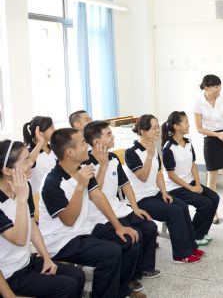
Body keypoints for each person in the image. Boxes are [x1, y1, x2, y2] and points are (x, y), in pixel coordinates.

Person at [39, 128, 141, 298]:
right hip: (62, 239)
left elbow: (97, 195)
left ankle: (122, 291)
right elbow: (69, 221)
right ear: (69, 152)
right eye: (82, 143)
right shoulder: (52, 183)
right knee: (110, 253)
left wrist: (118, 226)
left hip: (84, 229)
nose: (87, 146)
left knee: (130, 239)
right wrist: (80, 186)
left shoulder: (82, 168)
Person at [0, 139, 85, 298]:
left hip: (27, 262)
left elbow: (31, 225)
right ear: (7, 171)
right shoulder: (16, 195)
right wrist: (21, 200)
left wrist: (46, 258)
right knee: (68, 287)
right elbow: (18, 239)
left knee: (78, 276)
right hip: (10, 274)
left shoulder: (25, 186)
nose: (32, 163)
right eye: (26, 161)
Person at [83, 121, 161, 291]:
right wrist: (102, 168)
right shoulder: (85, 163)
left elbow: (125, 184)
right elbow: (94, 194)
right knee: (134, 236)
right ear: (97, 142)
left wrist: (136, 207)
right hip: (99, 215)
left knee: (149, 227)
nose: (113, 137)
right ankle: (128, 279)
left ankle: (142, 269)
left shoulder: (112, 157)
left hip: (119, 208)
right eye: (109, 134)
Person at [123, 114, 202, 264]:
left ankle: (191, 247)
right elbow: (143, 177)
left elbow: (159, 173)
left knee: (183, 206)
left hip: (154, 193)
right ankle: (180, 255)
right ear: (142, 132)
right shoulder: (131, 152)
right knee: (175, 212)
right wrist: (149, 156)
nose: (158, 131)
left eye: (158, 127)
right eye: (154, 128)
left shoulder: (153, 148)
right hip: (139, 199)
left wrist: (164, 192)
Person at [161, 111, 219, 246]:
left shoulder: (188, 142)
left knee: (214, 198)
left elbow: (193, 165)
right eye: (185, 122)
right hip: (175, 188)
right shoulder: (168, 148)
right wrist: (191, 188)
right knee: (205, 204)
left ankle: (202, 231)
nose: (189, 125)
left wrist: (198, 184)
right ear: (176, 126)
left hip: (190, 182)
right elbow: (171, 175)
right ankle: (195, 235)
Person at [194, 74, 223, 223]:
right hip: (211, 140)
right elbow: (199, 129)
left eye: (219, 86)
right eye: (215, 86)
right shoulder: (198, 104)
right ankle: (213, 210)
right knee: (211, 178)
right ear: (206, 87)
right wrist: (217, 135)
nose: (218, 89)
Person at [22, 116, 56, 218]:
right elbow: (29, 162)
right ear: (40, 133)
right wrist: (40, 143)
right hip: (39, 200)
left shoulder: (54, 149)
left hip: (56, 194)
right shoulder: (29, 152)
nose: (55, 130)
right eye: (52, 128)